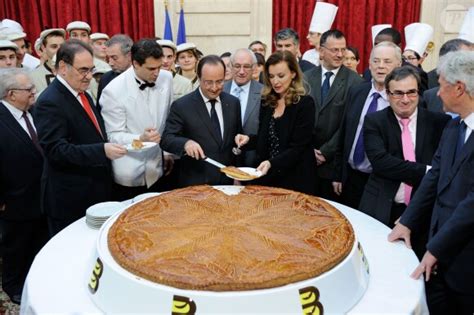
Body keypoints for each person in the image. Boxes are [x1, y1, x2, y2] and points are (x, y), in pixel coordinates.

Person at [388, 50, 474, 315]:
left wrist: (436, 249)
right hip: (437, 251)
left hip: (465, 257)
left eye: (441, 84)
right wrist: (407, 221)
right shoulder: (452, 128)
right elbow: (434, 177)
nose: (436, 93)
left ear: (459, 88)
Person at [33, 39, 127, 236]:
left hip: (95, 190)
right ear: (62, 67)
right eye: (83, 70)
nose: (89, 77)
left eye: (91, 70)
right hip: (70, 197)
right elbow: (56, 150)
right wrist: (102, 150)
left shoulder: (82, 92)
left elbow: (92, 132)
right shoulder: (50, 101)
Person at [359, 66, 450, 258]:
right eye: (398, 93)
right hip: (382, 206)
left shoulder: (439, 123)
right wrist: (427, 171)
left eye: (411, 92)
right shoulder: (374, 121)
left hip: (423, 211)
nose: (405, 99)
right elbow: (381, 162)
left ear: (419, 92)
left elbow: (445, 168)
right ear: (388, 94)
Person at [100, 39, 173, 201]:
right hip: (129, 171)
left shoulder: (167, 79)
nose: (157, 73)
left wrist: (167, 152)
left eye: (159, 67)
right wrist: (140, 138)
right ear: (135, 63)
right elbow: (113, 136)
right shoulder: (113, 91)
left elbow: (168, 119)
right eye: (151, 68)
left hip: (159, 167)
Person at [235, 51, 316, 194]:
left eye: (281, 75)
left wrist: (271, 163)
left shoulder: (305, 104)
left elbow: (298, 148)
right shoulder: (267, 101)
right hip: (268, 178)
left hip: (295, 179)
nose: (275, 81)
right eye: (271, 76)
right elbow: (266, 138)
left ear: (293, 73)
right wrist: (248, 140)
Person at [333, 41, 402, 209]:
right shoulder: (357, 91)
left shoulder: (402, 101)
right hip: (350, 178)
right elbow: (344, 134)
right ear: (369, 64)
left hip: (381, 182)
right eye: (376, 61)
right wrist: (338, 174)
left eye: (387, 61)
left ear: (399, 65)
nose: (381, 66)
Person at [0, 69, 48, 305]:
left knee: (36, 241)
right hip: (13, 198)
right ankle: (13, 285)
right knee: (15, 246)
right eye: (28, 89)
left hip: (39, 194)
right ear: (11, 94)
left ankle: (33, 277)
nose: (33, 92)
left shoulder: (32, 112)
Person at [161, 55, 242, 187]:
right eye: (208, 82)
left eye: (220, 81)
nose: (215, 87)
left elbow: (236, 142)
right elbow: (166, 139)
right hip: (196, 185)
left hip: (228, 183)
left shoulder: (233, 103)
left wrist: (237, 175)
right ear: (198, 78)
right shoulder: (182, 105)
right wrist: (186, 143)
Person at [304, 29, 363, 200]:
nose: (340, 54)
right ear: (321, 51)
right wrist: (309, 149)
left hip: (334, 167)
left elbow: (350, 124)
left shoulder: (355, 82)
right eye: (334, 50)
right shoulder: (306, 78)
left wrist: (324, 152)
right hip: (306, 162)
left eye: (343, 50)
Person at [224, 48, 263, 167]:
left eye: (246, 66)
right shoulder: (220, 91)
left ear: (254, 68)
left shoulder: (265, 93)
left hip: (254, 161)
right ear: (230, 67)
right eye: (237, 66)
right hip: (224, 161)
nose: (241, 71)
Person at [97, 34, 133, 101]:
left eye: (114, 58)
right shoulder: (105, 79)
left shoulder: (142, 76)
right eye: (108, 58)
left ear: (129, 56)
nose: (110, 63)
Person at [30, 28, 66, 95]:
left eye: (62, 46)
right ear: (44, 48)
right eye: (54, 47)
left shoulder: (74, 71)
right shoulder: (34, 76)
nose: (59, 50)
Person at [302, 2, 338, 66]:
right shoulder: (307, 54)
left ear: (321, 35)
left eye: (311, 34)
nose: (307, 37)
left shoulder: (333, 54)